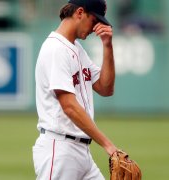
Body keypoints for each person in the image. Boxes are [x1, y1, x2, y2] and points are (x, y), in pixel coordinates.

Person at [32, 0, 118, 179]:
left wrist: (107, 46)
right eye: (94, 21)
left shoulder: (77, 49)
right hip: (60, 150)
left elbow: (105, 88)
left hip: (82, 152)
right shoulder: (55, 49)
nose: (96, 28)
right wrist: (108, 145)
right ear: (79, 13)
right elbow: (69, 106)